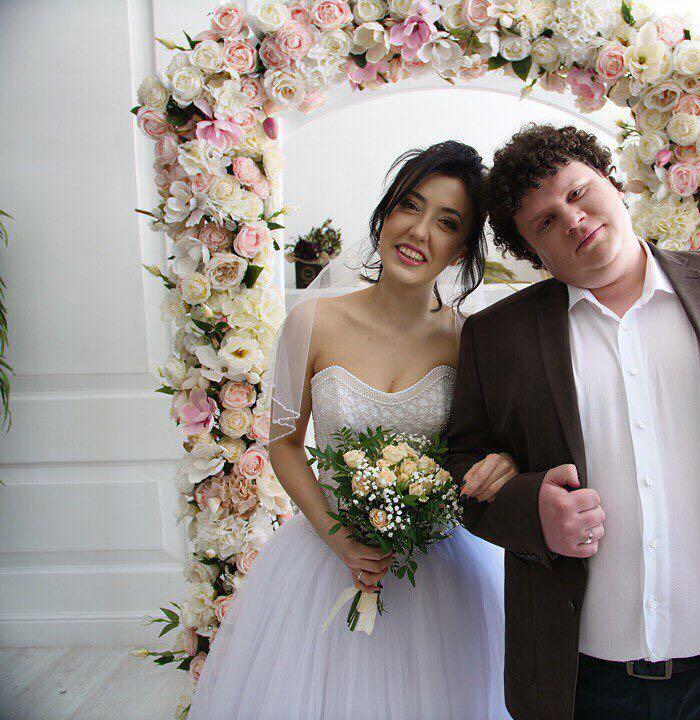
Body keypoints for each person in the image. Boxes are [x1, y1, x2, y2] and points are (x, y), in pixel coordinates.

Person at [445, 124, 700, 720]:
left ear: (614, 183)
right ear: (533, 254)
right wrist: (531, 512)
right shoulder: (495, 337)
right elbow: (459, 470)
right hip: (577, 677)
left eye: (577, 193)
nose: (573, 219)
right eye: (546, 221)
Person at [189, 141, 516, 720]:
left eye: (446, 222)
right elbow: (285, 445)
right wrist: (340, 538)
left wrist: (504, 463)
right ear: (386, 212)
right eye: (409, 205)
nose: (418, 231)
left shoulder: (469, 340)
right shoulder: (312, 321)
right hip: (326, 553)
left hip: (436, 570)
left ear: (461, 249)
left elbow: (488, 448)